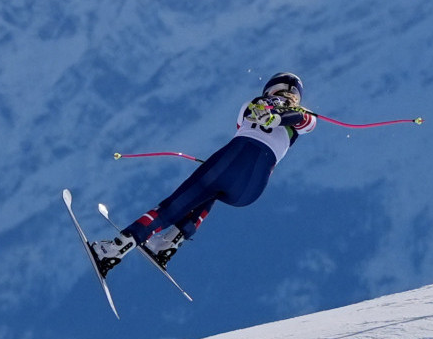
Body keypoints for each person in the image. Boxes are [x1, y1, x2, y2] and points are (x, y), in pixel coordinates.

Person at [89, 72, 316, 274]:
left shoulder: (257, 103)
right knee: (211, 194)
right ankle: (168, 242)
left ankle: (113, 250)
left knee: (175, 206)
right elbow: (305, 121)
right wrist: (282, 114)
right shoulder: (298, 115)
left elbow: (253, 123)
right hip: (251, 189)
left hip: (231, 160)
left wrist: (277, 115)